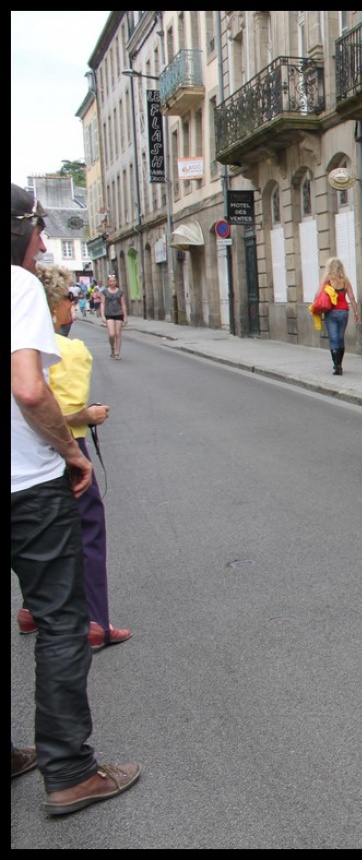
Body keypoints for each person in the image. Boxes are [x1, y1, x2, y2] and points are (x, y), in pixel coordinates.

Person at [10, 183, 141, 815]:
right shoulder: (18, 288)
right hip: (25, 485)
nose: (41, 245)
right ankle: (69, 771)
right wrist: (71, 450)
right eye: (36, 232)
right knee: (62, 621)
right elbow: (30, 390)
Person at [15, 264, 132, 652]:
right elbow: (48, 411)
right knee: (87, 533)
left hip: (24, 460)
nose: (73, 304)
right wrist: (88, 416)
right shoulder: (68, 350)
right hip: (66, 447)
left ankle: (32, 607)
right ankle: (96, 620)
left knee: (40, 537)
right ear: (50, 305)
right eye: (68, 297)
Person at [314, 256, 360, 376]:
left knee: (333, 338)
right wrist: (356, 312)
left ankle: (337, 366)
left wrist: (315, 306)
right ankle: (339, 363)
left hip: (331, 312)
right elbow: (352, 297)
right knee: (340, 338)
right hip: (344, 312)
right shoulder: (345, 280)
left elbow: (318, 294)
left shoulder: (327, 279)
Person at [101, 275, 127, 360]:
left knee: (118, 333)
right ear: (108, 282)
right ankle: (112, 347)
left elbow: (123, 304)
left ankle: (117, 352)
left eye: (114, 281)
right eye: (111, 281)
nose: (112, 283)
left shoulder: (120, 292)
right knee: (111, 334)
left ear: (116, 282)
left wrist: (125, 317)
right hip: (109, 314)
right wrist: (102, 315)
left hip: (118, 314)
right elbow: (102, 304)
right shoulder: (104, 292)